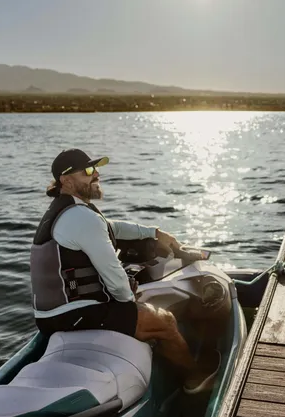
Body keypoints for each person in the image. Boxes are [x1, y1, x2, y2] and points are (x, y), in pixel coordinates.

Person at [30, 148, 219, 394]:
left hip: (50, 316)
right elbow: (117, 283)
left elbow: (112, 228)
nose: (96, 174)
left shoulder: (64, 211)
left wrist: (154, 233)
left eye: (95, 168)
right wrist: (131, 301)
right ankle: (195, 379)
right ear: (66, 180)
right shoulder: (80, 217)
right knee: (164, 320)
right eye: (88, 170)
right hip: (73, 315)